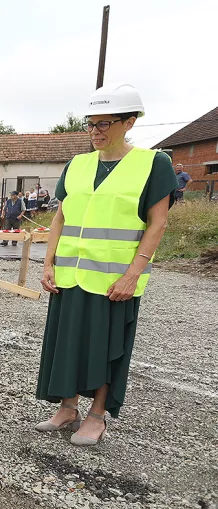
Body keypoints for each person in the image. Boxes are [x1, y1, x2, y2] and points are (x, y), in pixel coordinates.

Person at [37, 84, 176, 446]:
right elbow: (60, 219)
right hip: (71, 275)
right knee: (67, 342)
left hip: (114, 279)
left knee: (105, 345)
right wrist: (48, 263)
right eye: (91, 124)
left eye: (105, 124)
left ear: (129, 122)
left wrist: (133, 274)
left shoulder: (153, 163)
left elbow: (157, 222)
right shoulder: (78, 164)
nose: (96, 132)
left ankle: (97, 416)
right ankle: (68, 409)